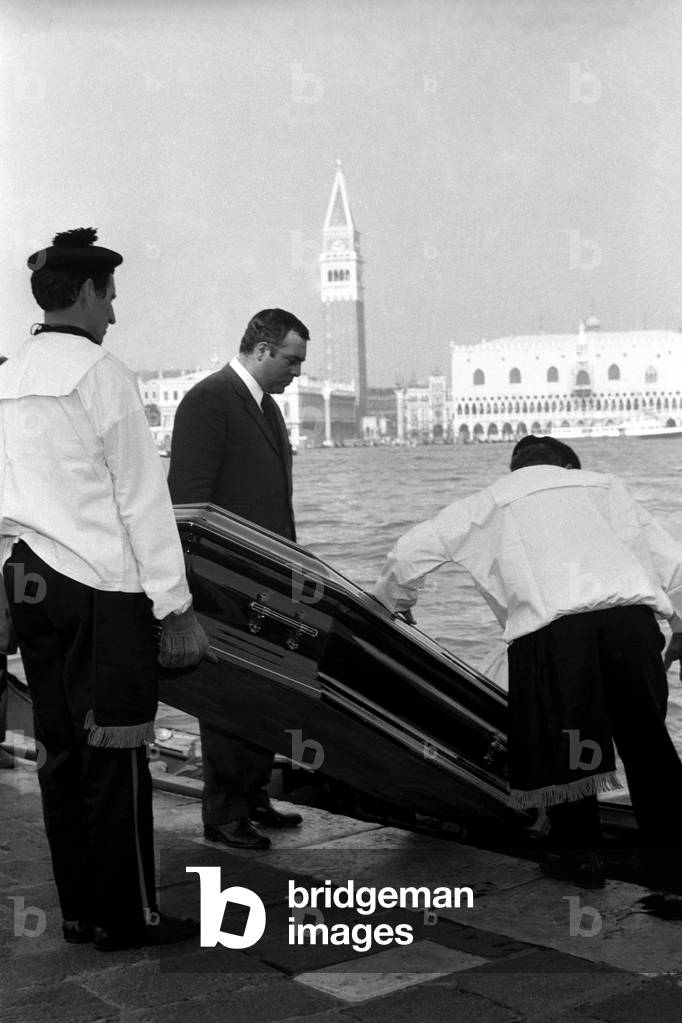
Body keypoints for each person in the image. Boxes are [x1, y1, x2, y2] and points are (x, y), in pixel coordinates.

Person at [0, 228, 212, 951]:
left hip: (29, 577)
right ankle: (128, 917)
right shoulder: (102, 374)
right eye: (111, 296)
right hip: (100, 585)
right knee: (114, 758)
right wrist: (175, 605)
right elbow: (143, 501)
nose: (114, 313)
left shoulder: (8, 373)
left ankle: (82, 911)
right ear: (87, 293)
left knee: (59, 752)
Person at [372, 434, 682, 888]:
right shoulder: (606, 487)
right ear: (569, 468)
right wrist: (679, 625)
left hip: (554, 635)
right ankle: (672, 865)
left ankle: (581, 861)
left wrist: (395, 601)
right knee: (647, 743)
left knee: (566, 743)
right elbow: (671, 564)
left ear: (516, 468)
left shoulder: (492, 500)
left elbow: (409, 553)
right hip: (629, 625)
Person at [168, 308, 308, 850]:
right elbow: (188, 502)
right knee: (229, 697)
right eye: (292, 360)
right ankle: (224, 813)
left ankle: (252, 795)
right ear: (261, 349)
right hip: (227, 581)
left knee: (264, 692)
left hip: (270, 579)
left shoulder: (267, 408)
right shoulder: (209, 401)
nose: (297, 371)